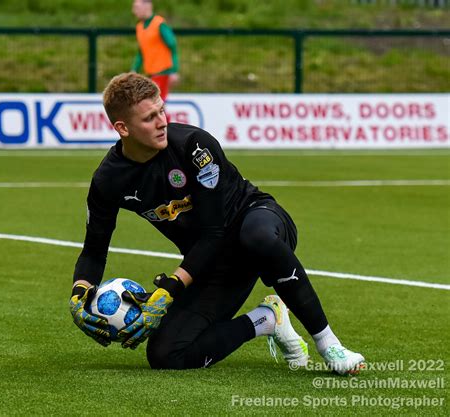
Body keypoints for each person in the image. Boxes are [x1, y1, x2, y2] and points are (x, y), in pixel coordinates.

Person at [69, 72, 365, 375]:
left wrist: (170, 288)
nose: (162, 122)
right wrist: (79, 296)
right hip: (212, 261)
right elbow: (94, 250)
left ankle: (329, 344)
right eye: (149, 118)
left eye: (161, 110)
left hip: (256, 219)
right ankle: (266, 319)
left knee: (257, 237)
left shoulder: (194, 147)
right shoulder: (108, 180)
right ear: (122, 128)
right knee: (165, 355)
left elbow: (214, 230)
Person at [130, 0, 179, 101]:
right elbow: (141, 52)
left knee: (156, 104)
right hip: (150, 73)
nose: (134, 11)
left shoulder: (159, 24)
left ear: (147, 6)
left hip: (163, 72)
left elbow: (173, 45)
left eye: (137, 7)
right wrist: (134, 69)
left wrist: (174, 70)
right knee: (155, 104)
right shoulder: (139, 27)